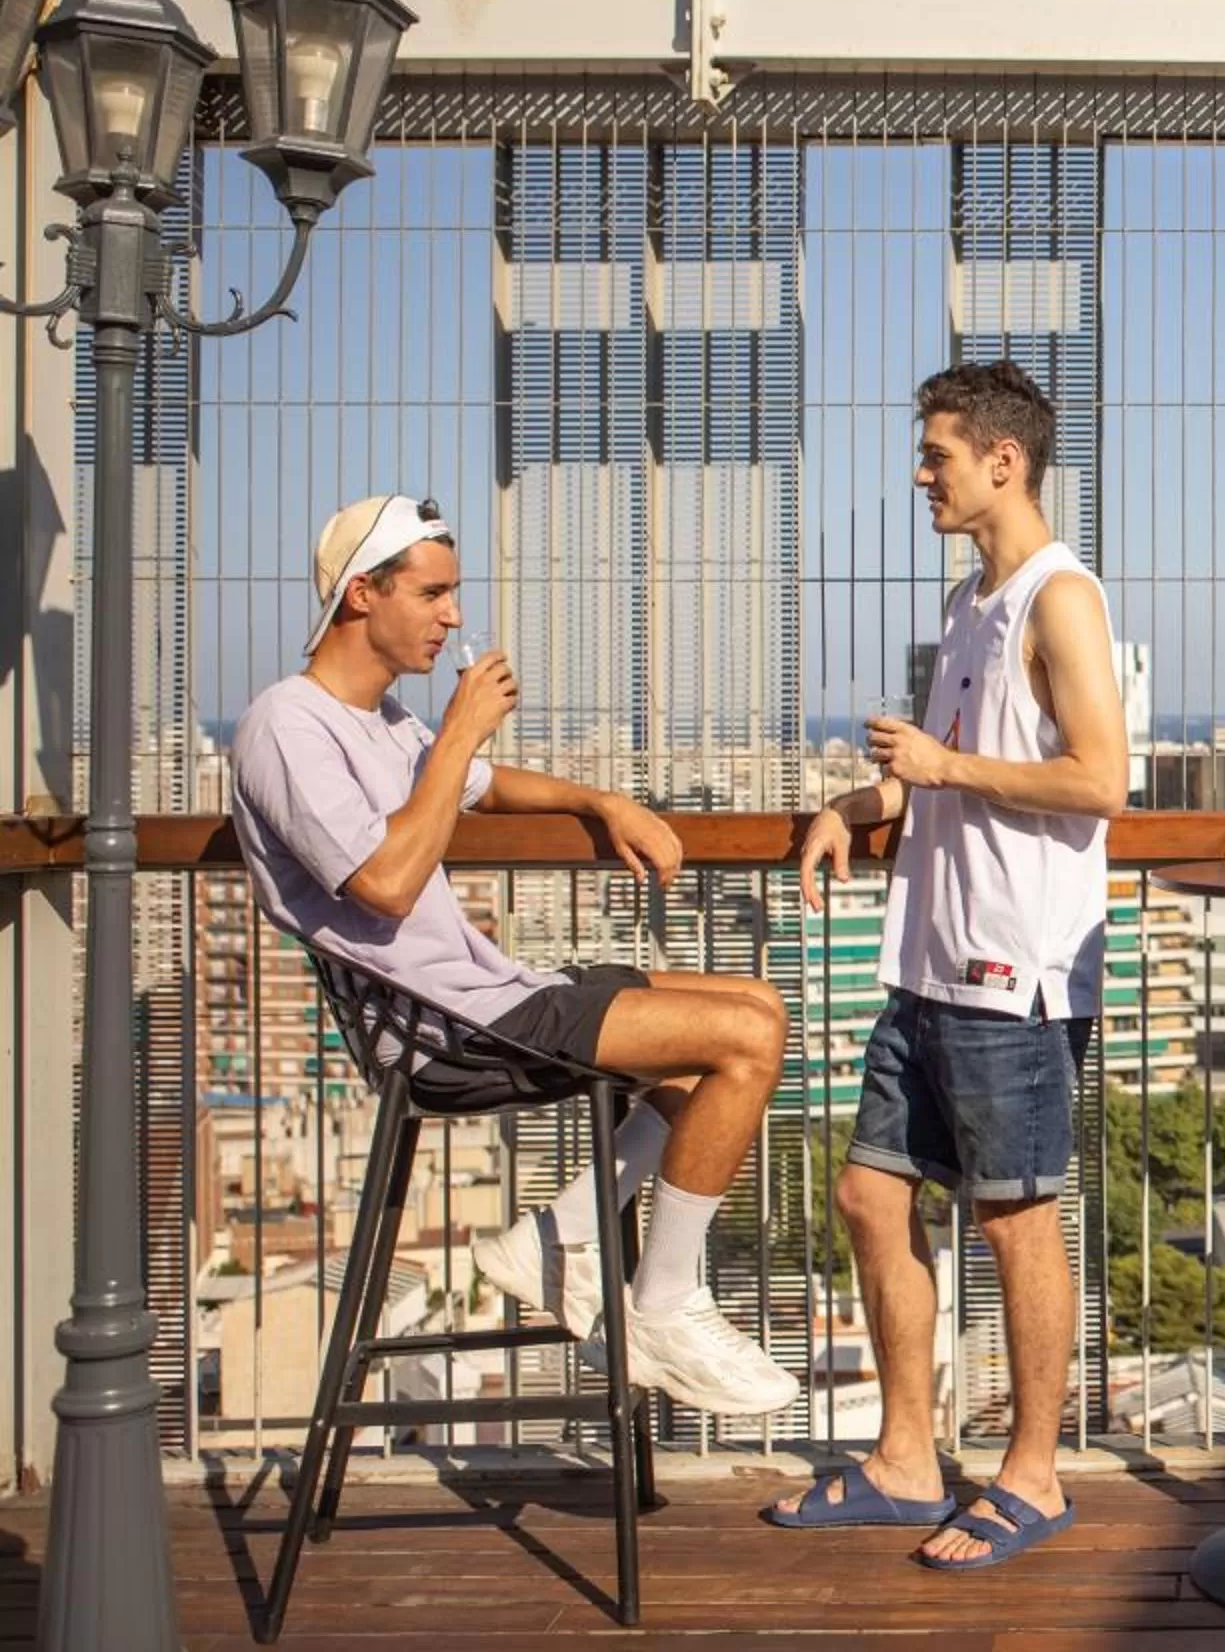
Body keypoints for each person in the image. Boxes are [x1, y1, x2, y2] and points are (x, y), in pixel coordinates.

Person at [228, 492, 799, 1420]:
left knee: (759, 1009)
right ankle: (662, 1306)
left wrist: (604, 803)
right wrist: (457, 732)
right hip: (442, 1033)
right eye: (435, 594)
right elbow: (385, 885)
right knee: (742, 1043)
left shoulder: (384, 724)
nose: (454, 617)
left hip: (488, 998)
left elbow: (488, 790)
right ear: (363, 595)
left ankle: (560, 1234)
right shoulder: (286, 728)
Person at [770, 361, 1126, 1571]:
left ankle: (1034, 1474)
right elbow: (949, 763)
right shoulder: (976, 603)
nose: (920, 473)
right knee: (872, 1194)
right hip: (925, 964)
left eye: (936, 454)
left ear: (1002, 461)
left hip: (1010, 970)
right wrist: (857, 801)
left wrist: (934, 767)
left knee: (1015, 1220)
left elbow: (1099, 779)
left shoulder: (1058, 599)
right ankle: (907, 1458)